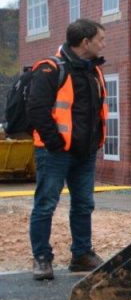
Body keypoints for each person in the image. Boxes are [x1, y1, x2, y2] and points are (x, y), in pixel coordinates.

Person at [27, 19, 108, 281]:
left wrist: (93, 143)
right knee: (46, 204)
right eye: (100, 39)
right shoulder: (51, 69)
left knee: (84, 204)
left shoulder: (93, 71)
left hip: (85, 154)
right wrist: (56, 143)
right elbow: (37, 110)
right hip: (55, 154)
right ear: (85, 42)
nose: (102, 44)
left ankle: (81, 255)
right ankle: (42, 258)